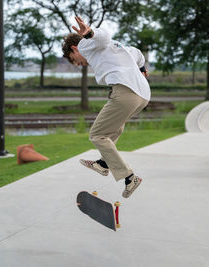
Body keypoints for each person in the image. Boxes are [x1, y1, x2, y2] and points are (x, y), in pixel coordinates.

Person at [62, 16, 151, 198]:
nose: (79, 64)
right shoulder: (119, 48)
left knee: (97, 134)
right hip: (142, 96)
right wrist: (142, 68)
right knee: (114, 129)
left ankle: (129, 176)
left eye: (74, 60)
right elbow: (137, 53)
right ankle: (104, 163)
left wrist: (89, 33)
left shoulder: (86, 46)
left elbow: (103, 37)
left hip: (126, 92)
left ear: (74, 48)